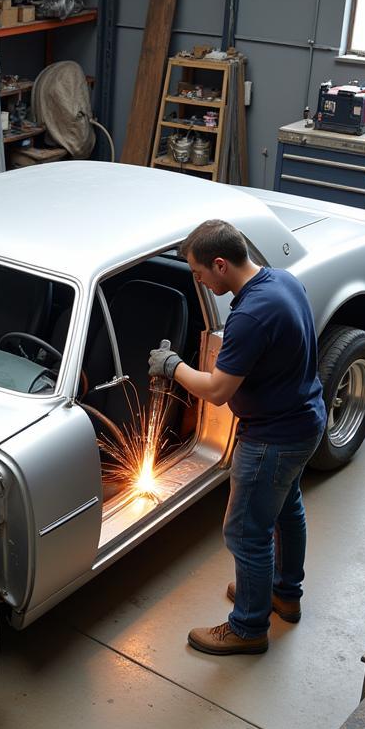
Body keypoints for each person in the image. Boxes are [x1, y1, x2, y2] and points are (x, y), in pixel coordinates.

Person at [148, 219, 326, 656]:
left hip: (272, 438)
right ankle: (284, 594)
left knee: (247, 532)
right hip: (305, 419)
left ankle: (248, 627)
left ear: (221, 264)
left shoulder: (249, 315)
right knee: (287, 509)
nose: (199, 281)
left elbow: (218, 391)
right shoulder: (283, 281)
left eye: (198, 273)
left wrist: (172, 365)